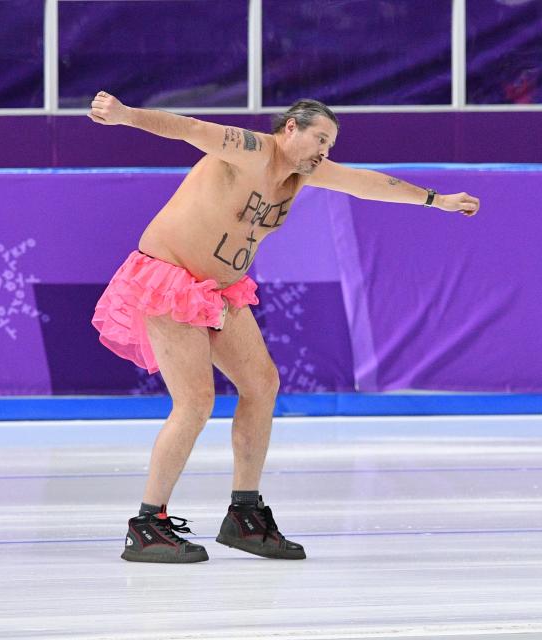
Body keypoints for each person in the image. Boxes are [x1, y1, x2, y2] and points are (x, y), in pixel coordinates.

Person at [88, 91, 480, 563]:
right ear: (291, 127)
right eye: (320, 138)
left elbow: (364, 183)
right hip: (169, 279)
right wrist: (126, 116)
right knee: (195, 402)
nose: (325, 152)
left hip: (219, 289)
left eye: (330, 145)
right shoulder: (250, 150)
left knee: (261, 384)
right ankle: (147, 524)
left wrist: (436, 200)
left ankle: (244, 517)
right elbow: (189, 128)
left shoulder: (303, 173)